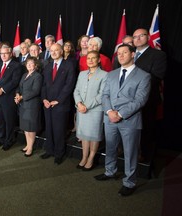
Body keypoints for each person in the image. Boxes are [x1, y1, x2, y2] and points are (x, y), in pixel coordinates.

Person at [94, 44, 151, 197]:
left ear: (133, 54)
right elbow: (105, 95)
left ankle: (129, 182)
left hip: (129, 120)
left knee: (130, 152)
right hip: (109, 118)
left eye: (124, 52)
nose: (121, 55)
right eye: (119, 53)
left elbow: (140, 100)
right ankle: (110, 171)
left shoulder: (144, 76)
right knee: (111, 147)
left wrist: (119, 113)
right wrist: (109, 111)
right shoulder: (111, 74)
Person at [132, 28, 167, 163]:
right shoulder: (129, 54)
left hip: (146, 100)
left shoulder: (158, 55)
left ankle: (143, 155)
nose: (138, 39)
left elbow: (157, 77)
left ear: (148, 37)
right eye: (135, 37)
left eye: (141, 35)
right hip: (127, 99)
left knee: (145, 129)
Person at [40, 43, 76, 165]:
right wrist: (44, 99)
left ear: (62, 51)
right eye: (51, 51)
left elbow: (69, 85)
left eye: (56, 50)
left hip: (61, 104)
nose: (53, 53)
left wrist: (59, 100)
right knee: (49, 128)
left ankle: (59, 153)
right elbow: (44, 85)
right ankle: (49, 150)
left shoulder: (69, 65)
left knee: (59, 130)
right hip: (47, 104)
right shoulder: (48, 66)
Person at [73, 50, 107, 170]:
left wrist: (86, 106)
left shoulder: (104, 74)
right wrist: (79, 103)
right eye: (88, 58)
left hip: (95, 111)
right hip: (81, 109)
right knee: (84, 135)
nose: (90, 60)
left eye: (93, 58)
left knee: (93, 136)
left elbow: (102, 94)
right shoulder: (82, 74)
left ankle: (91, 159)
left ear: (98, 60)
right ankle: (84, 157)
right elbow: (76, 90)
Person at [0, 44, 22, 151]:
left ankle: (9, 140)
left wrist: (2, 90)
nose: (3, 55)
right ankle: (1, 138)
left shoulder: (16, 65)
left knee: (9, 120)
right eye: (1, 53)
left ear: (11, 54)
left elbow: (15, 81)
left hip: (8, 97)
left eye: (6, 53)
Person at [15, 57, 43, 157]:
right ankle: (28, 144)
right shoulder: (24, 75)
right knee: (25, 127)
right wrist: (17, 94)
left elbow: (36, 91)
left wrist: (22, 97)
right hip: (23, 105)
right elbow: (19, 87)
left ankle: (30, 147)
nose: (29, 65)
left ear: (36, 65)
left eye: (32, 63)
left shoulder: (38, 76)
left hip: (32, 105)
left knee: (31, 127)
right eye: (28, 64)